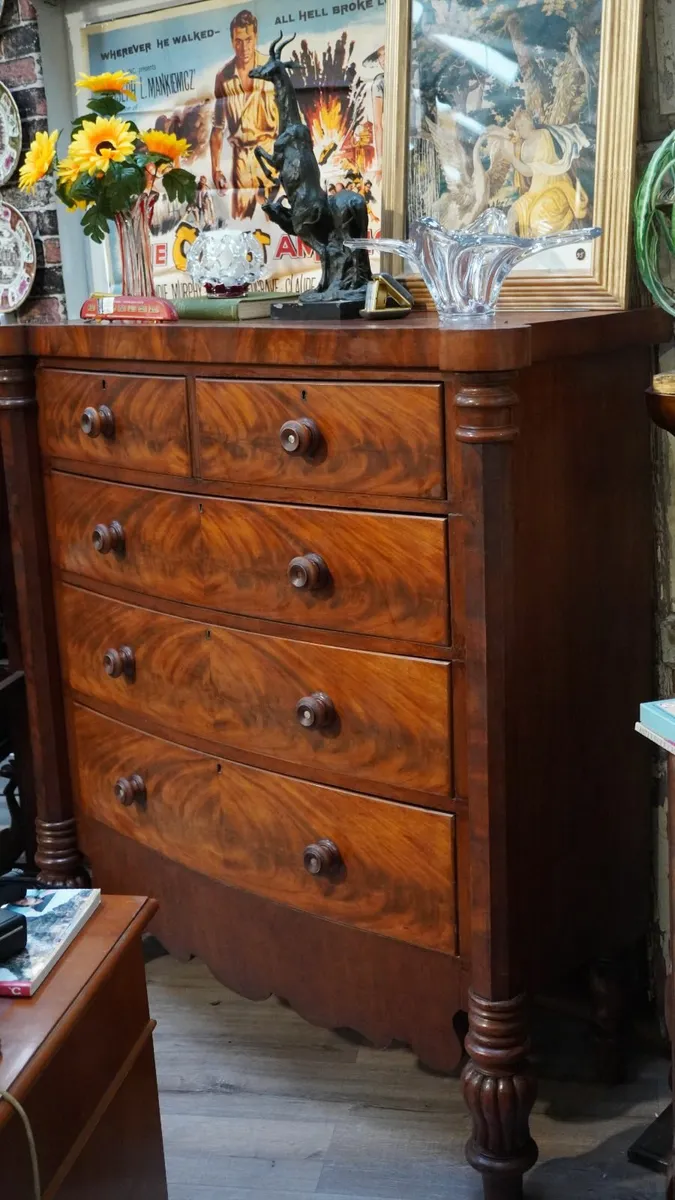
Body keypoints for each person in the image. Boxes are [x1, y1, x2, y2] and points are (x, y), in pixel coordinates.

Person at [209, 9, 278, 220]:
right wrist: (216, 169)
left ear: (256, 37)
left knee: (277, 224)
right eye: (238, 41)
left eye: (248, 40)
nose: (244, 47)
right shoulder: (223, 77)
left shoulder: (272, 68)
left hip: (271, 157)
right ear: (232, 41)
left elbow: (291, 118)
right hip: (241, 163)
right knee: (241, 225)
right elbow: (217, 129)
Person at [489, 109, 589, 236]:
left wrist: (512, 158)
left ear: (530, 122)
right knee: (511, 215)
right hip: (534, 193)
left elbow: (529, 171)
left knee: (537, 219)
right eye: (517, 127)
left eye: (522, 125)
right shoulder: (523, 146)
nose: (519, 129)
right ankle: (518, 247)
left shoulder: (543, 135)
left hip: (553, 188)